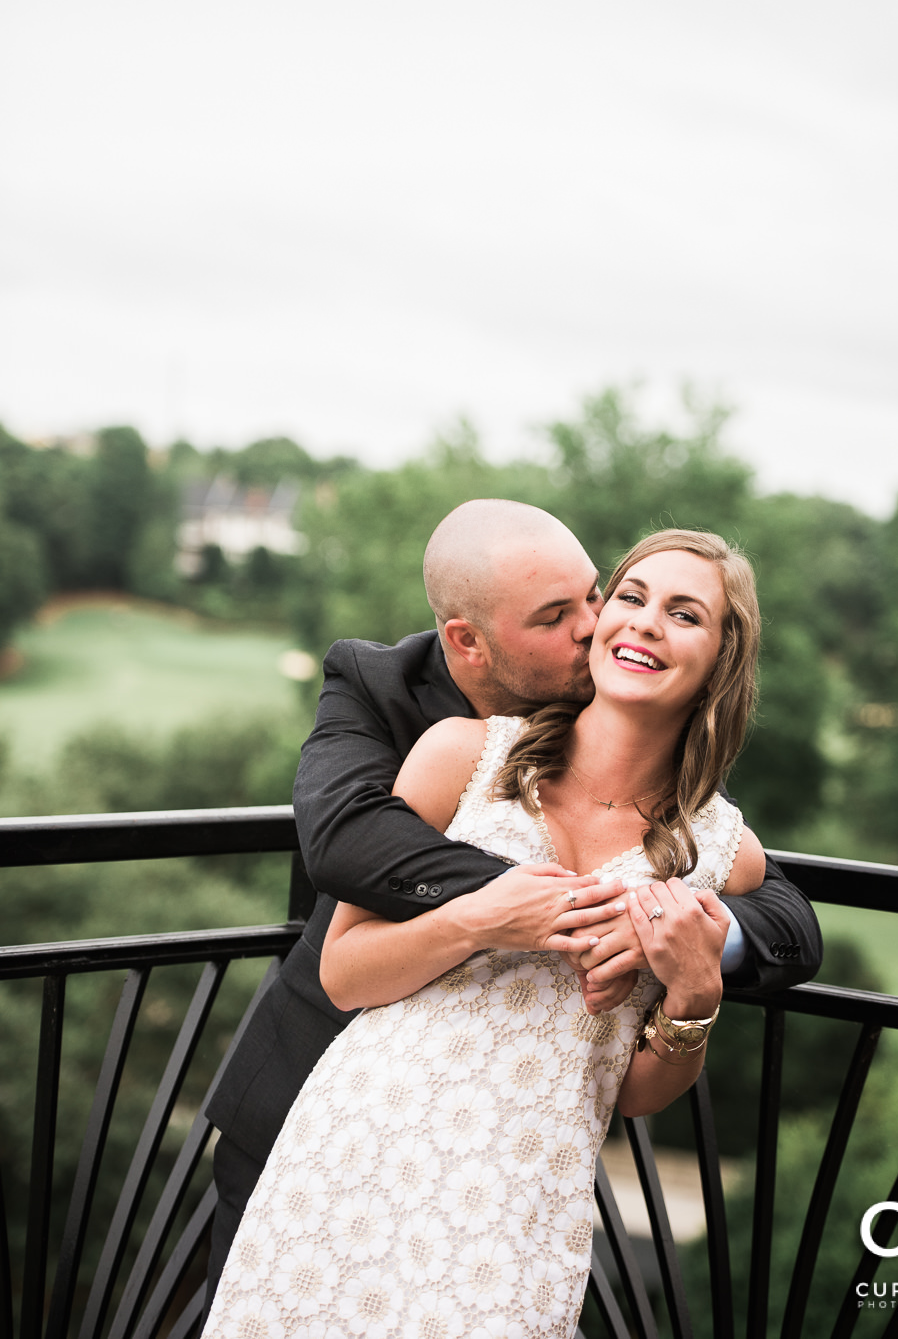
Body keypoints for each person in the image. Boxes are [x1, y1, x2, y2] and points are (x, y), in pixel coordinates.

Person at [202, 502, 822, 1308]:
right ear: (470, 639)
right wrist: (509, 911)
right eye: (610, 603)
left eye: (600, 596)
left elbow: (788, 932)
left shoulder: (706, 837)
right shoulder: (432, 730)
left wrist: (698, 972)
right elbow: (345, 849)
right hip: (345, 1123)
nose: (604, 623)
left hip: (521, 1187)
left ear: (722, 658)